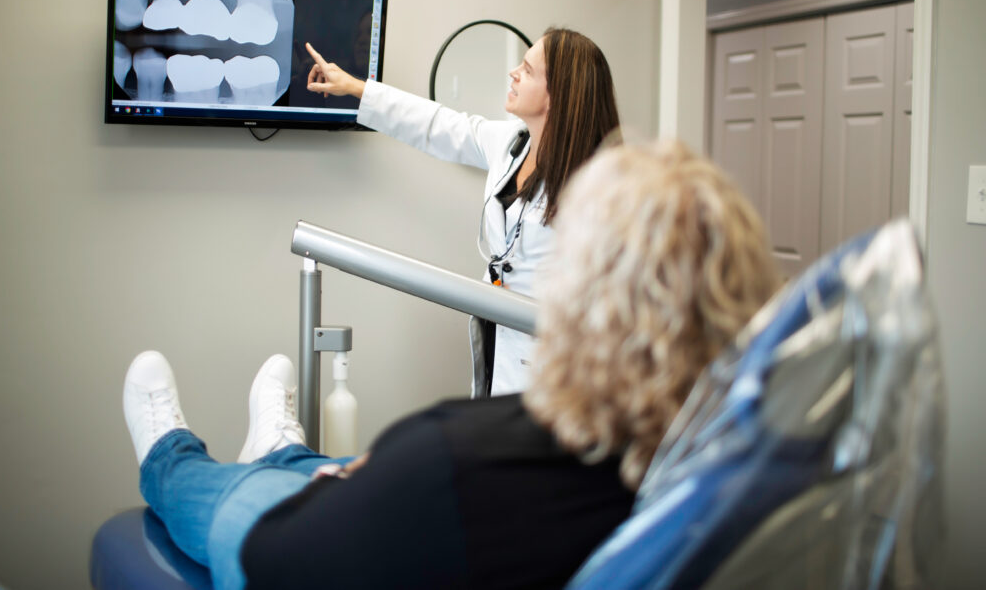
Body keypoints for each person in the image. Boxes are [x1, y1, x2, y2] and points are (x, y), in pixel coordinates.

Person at [123, 139, 782, 590]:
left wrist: (363, 491)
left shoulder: (453, 454)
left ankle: (168, 452)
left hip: (296, 544)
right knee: (327, 471)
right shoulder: (739, 482)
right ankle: (283, 447)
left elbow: (278, 561)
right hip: (422, 516)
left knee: (240, 497)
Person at [304, 28, 620, 396]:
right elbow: (436, 124)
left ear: (559, 94)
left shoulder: (600, 184)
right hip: (496, 331)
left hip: (558, 361)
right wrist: (357, 88)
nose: (513, 72)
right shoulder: (512, 143)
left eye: (528, 70)